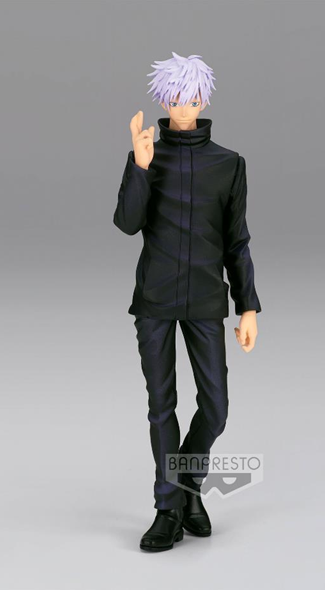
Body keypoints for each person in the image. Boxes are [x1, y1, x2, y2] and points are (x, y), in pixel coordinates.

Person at [113, 52, 262, 552]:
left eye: (193, 96)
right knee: (162, 406)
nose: (183, 105)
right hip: (155, 299)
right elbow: (126, 223)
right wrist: (140, 166)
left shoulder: (229, 164)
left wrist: (248, 306)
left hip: (205, 299)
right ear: (163, 99)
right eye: (175, 96)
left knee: (215, 407)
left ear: (205, 99)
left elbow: (237, 241)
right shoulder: (148, 156)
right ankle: (167, 509)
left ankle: (188, 485)